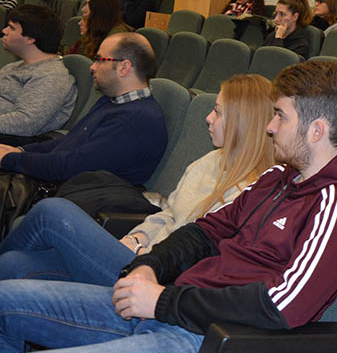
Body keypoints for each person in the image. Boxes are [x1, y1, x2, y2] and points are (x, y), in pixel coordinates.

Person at [0, 59, 337, 353]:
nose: (270, 126)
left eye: (280, 116)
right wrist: (149, 266)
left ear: (316, 130)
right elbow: (204, 232)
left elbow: (281, 306)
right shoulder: (278, 178)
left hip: (204, 342)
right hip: (171, 305)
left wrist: (162, 302)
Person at [0, 74, 275, 285]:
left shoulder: (250, 192)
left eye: (218, 111)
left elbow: (200, 256)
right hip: (135, 254)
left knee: (52, 211)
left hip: (154, 276)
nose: (207, 118)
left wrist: (143, 252)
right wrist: (135, 238)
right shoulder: (212, 161)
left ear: (243, 123)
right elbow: (168, 214)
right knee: (14, 264)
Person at [0, 32, 166, 185]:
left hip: (75, 200)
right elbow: (71, 141)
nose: (92, 67)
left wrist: (11, 159)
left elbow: (69, 168)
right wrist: (20, 151)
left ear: (124, 67)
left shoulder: (135, 120)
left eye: (100, 60)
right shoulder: (113, 102)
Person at [0, 5, 76, 143]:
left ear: (30, 38)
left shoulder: (52, 76)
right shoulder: (13, 67)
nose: (4, 31)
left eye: (11, 28)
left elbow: (25, 123)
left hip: (12, 143)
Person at [68, 0, 133, 58]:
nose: (83, 9)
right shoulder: (96, 28)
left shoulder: (116, 37)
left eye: (89, 4)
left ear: (100, 9)